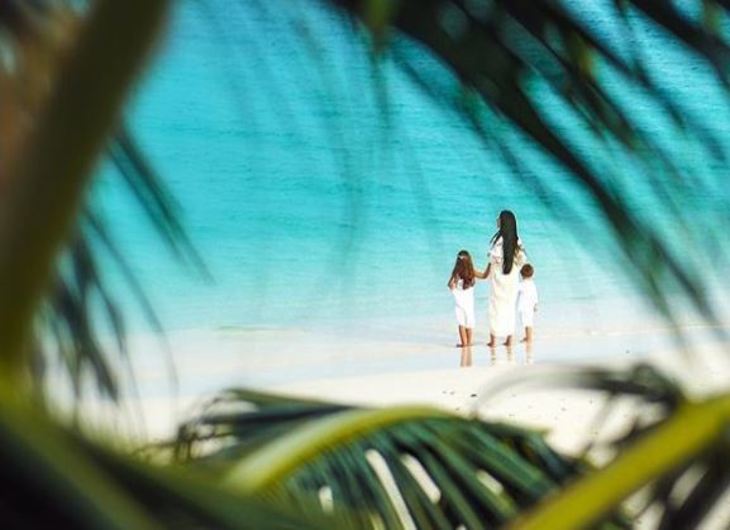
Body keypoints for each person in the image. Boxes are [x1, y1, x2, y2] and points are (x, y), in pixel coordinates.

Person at [482, 210, 526, 348]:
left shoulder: (498, 242)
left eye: (499, 218)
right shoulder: (517, 240)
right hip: (512, 279)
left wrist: (486, 272)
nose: (497, 220)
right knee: (509, 308)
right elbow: (522, 260)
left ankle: (493, 340)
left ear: (503, 222)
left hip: (498, 279)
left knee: (495, 308)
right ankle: (509, 339)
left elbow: (493, 260)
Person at [448, 250, 478, 348]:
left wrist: (454, 285)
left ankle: (464, 343)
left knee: (461, 323)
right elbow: (484, 276)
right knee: (469, 322)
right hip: (469, 303)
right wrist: (490, 266)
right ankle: (468, 343)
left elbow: (450, 285)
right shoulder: (472, 273)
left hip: (459, 302)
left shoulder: (456, 274)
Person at [517, 263, 538, 343]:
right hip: (530, 306)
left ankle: (529, 338)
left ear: (521, 275)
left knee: (527, 323)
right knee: (528, 322)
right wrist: (535, 304)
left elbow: (515, 289)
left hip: (525, 306)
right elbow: (535, 295)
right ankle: (528, 336)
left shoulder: (522, 284)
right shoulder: (532, 284)